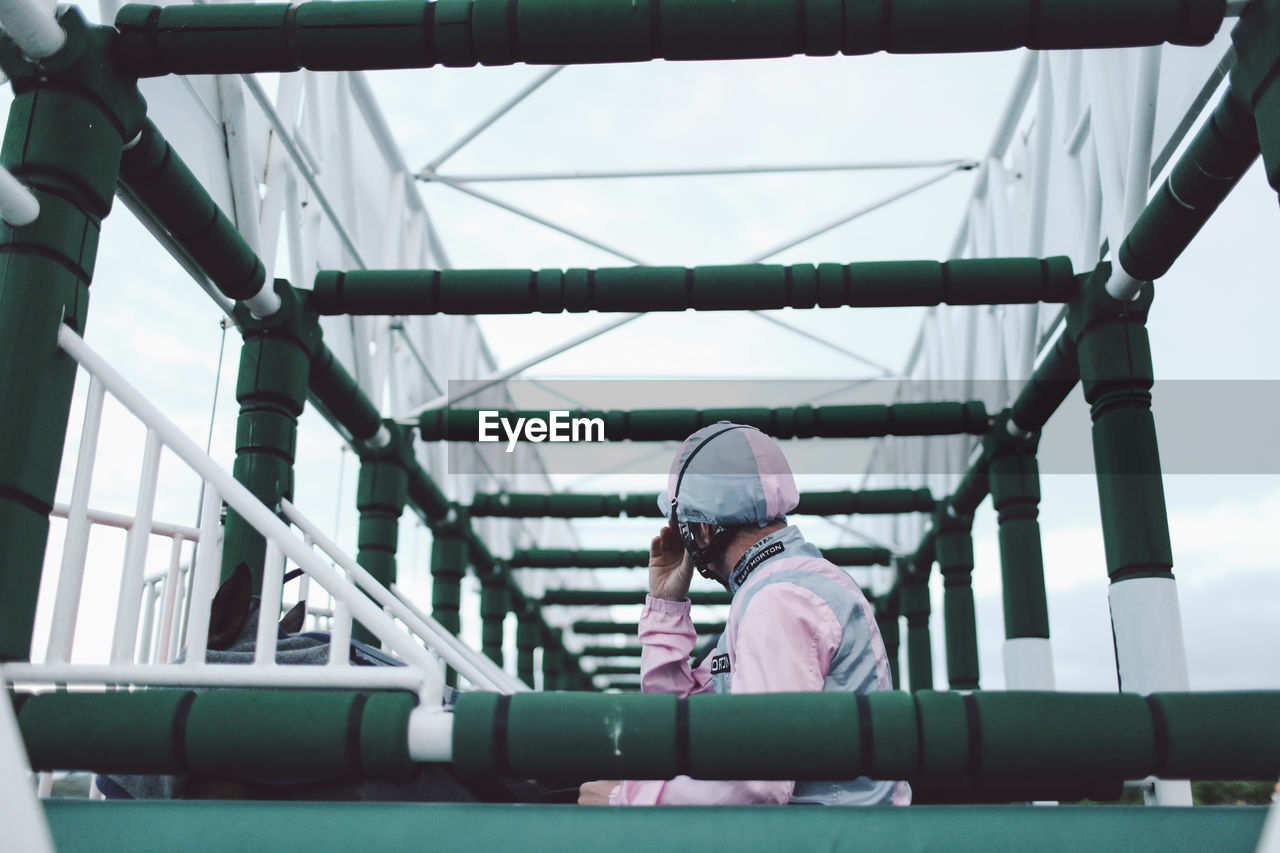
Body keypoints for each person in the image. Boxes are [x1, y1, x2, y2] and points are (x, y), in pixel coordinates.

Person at [579, 421, 910, 806]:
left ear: (700, 529)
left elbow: (757, 780)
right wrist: (666, 608)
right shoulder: (779, 584)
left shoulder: (778, 600)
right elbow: (681, 728)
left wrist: (626, 802)